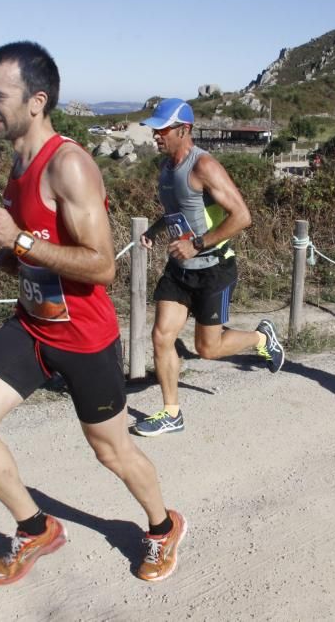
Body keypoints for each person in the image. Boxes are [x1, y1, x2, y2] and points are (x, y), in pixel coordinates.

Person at [0, 41, 185, 585]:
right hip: (31, 327)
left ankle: (162, 525)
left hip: (84, 337)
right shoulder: (19, 159)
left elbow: (102, 268)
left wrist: (21, 242)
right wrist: (13, 256)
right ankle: (36, 529)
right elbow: (37, 249)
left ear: (36, 101)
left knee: (112, 451)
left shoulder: (69, 165)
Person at [131, 98, 284, 437]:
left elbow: (243, 217)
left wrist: (197, 244)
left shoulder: (205, 166)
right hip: (179, 269)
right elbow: (177, 210)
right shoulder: (166, 168)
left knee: (208, 349)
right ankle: (172, 413)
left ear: (183, 130)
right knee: (161, 336)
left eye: (162, 129)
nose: (155, 135)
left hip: (213, 267)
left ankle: (262, 337)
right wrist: (154, 232)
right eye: (155, 129)